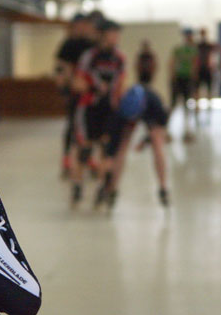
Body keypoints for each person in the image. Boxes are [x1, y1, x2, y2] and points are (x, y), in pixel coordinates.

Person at [71, 19, 125, 207]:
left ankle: (103, 188)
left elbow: (120, 86)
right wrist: (91, 87)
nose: (116, 37)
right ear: (104, 35)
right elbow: (77, 81)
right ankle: (77, 186)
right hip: (88, 108)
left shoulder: (119, 59)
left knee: (106, 148)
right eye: (113, 33)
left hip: (108, 109)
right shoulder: (90, 56)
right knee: (84, 149)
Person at [99, 85, 170, 208]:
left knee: (157, 144)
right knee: (121, 149)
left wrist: (145, 141)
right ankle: (112, 188)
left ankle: (163, 187)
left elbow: (160, 128)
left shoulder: (155, 104)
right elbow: (113, 148)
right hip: (126, 117)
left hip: (151, 113)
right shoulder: (120, 112)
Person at [55, 13, 95, 177]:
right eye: (78, 24)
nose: (81, 27)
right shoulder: (68, 44)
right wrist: (63, 87)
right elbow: (60, 67)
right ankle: (67, 158)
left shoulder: (90, 44)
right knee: (72, 125)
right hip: (73, 90)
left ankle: (88, 157)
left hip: (88, 91)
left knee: (88, 126)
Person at [170, 28, 198, 141]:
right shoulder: (179, 49)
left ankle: (187, 130)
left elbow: (195, 65)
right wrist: (173, 76)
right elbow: (172, 62)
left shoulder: (193, 50)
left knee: (187, 105)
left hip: (187, 79)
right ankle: (167, 129)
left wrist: (194, 79)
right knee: (174, 104)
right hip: (179, 78)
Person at [195, 28, 216, 101]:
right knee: (197, 88)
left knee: (209, 88)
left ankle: (209, 105)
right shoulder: (197, 45)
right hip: (199, 69)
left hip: (207, 69)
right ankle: (197, 106)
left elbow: (213, 55)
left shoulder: (209, 45)